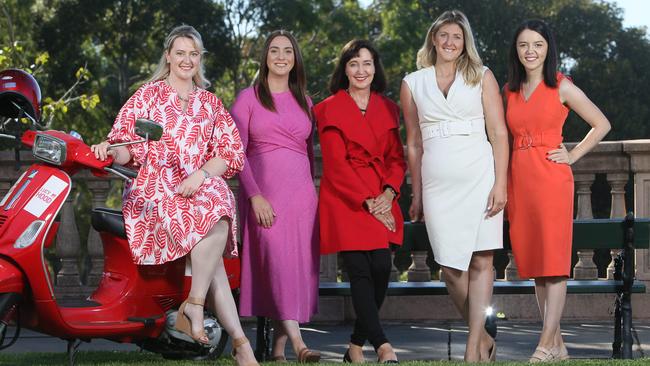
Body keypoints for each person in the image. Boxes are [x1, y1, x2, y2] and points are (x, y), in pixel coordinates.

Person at [90, 25, 258, 366]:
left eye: (193, 54)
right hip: (155, 193)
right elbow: (128, 149)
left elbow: (230, 153)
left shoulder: (209, 103)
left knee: (217, 196)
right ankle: (237, 343)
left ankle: (201, 312)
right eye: (180, 53)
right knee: (214, 245)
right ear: (168, 56)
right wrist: (109, 150)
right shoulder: (147, 96)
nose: (186, 60)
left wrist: (200, 174)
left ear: (200, 60)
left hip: (196, 188)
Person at [401, 10, 509, 362]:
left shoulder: (482, 76)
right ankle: (482, 342)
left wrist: (501, 184)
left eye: (457, 37)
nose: (450, 42)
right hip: (437, 184)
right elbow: (414, 143)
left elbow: (498, 133)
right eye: (444, 35)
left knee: (482, 261)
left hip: (480, 177)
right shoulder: (412, 83)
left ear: (465, 44)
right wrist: (416, 193)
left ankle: (472, 348)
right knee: (449, 268)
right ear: (433, 39)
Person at [504, 19, 611, 362]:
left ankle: (545, 343)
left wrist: (573, 154)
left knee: (554, 261)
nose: (530, 51)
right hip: (518, 178)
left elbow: (601, 123)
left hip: (551, 178)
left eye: (537, 44)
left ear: (548, 48)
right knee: (536, 264)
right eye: (524, 45)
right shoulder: (509, 90)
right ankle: (558, 345)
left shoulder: (561, 86)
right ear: (516, 50)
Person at [230, 30, 320, 363]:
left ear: (295, 59)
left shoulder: (305, 101)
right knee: (278, 266)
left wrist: (311, 195)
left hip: (301, 199)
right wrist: (254, 196)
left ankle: (280, 349)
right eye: (274, 51)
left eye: (287, 52)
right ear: (265, 57)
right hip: (264, 197)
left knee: (295, 270)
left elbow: (309, 155)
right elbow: (235, 153)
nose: (281, 57)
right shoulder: (248, 98)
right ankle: (300, 345)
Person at [314, 39, 405, 364]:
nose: (361, 70)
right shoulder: (327, 109)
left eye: (367, 63)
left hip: (382, 195)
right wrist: (369, 203)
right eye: (354, 64)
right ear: (345, 69)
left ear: (375, 68)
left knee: (381, 267)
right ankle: (382, 346)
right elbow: (336, 166)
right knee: (359, 271)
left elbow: (397, 159)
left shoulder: (389, 108)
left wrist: (388, 194)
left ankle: (355, 346)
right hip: (347, 199)